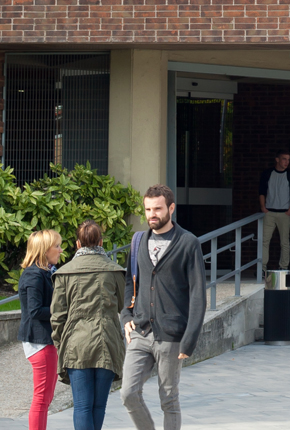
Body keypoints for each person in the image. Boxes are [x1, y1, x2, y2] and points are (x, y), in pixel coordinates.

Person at [120, 184, 207, 430]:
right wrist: (125, 314)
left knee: (169, 399)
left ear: (171, 208)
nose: (151, 215)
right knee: (128, 393)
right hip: (140, 331)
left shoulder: (188, 242)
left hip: (171, 335)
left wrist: (189, 338)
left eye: (157, 209)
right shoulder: (138, 241)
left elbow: (198, 295)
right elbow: (130, 281)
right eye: (147, 209)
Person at [51, 220, 126, 430]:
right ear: (101, 242)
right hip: (108, 341)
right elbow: (123, 304)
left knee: (82, 407)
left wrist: (59, 345)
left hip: (76, 344)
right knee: (99, 405)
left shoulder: (64, 273)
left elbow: (57, 316)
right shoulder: (115, 271)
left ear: (77, 244)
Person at [18, 228, 62, 430]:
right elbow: (35, 311)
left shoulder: (42, 272)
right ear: (45, 250)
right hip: (40, 342)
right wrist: (62, 309)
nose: (61, 250)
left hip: (43, 341)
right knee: (42, 398)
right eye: (57, 246)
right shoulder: (34, 275)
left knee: (45, 397)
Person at [260, 148, 290, 270]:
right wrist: (263, 207)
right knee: (264, 241)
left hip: (284, 213)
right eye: (284, 159)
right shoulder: (267, 173)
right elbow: (261, 191)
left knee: (285, 242)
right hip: (269, 212)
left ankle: (284, 267)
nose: (286, 162)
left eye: (288, 159)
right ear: (277, 160)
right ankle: (262, 267)